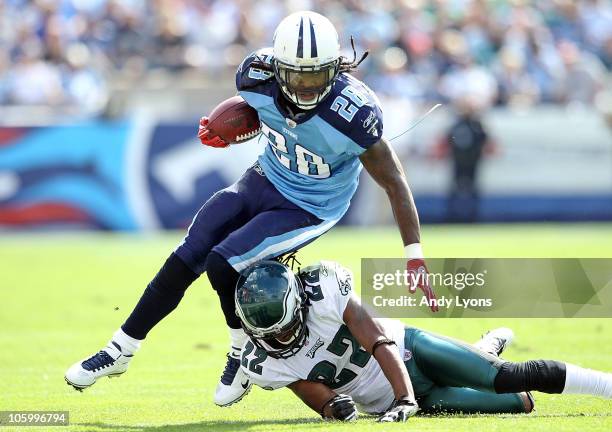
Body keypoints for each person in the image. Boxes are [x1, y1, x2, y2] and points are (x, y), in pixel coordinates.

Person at [64, 11, 438, 406]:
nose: (308, 86)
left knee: (223, 263)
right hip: (264, 178)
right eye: (297, 76)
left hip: (312, 206)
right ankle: (122, 348)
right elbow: (264, 115)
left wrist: (414, 256)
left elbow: (394, 182)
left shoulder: (354, 114)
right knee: (190, 251)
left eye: (317, 76)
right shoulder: (255, 76)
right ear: (277, 68)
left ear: (335, 69)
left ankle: (240, 352)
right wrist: (236, 127)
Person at [236, 259, 612, 422]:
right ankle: (480, 351)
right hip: (410, 401)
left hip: (411, 353)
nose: (281, 339)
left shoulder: (325, 290)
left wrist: (403, 399)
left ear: (299, 303)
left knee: (507, 377)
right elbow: (321, 399)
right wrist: (338, 410)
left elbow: (379, 342)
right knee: (520, 404)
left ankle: (606, 386)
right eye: (270, 334)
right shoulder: (263, 361)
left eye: (285, 327)